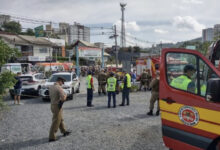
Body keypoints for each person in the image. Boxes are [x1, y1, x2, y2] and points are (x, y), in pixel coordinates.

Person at [48, 77, 71, 142]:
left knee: (60, 119)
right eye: (62, 82)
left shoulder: (51, 86)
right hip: (57, 106)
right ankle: (52, 137)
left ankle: (64, 131)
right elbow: (63, 98)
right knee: (56, 121)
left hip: (52, 105)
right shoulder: (58, 87)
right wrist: (66, 95)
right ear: (60, 81)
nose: (62, 84)